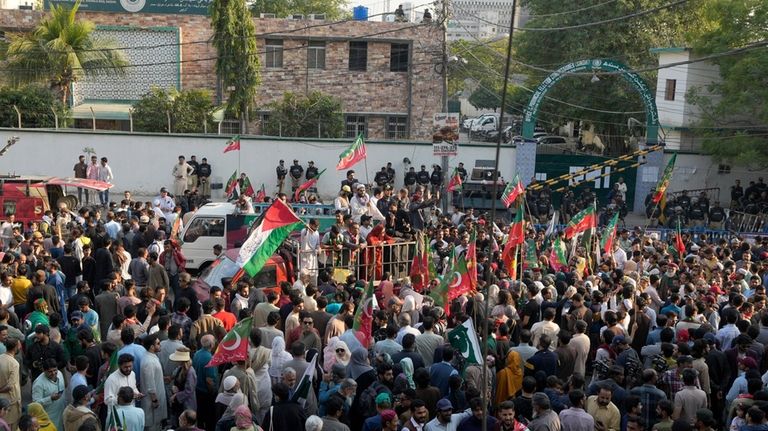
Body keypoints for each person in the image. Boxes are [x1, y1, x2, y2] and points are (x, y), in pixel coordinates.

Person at [140, 334, 167, 431]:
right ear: (152, 346)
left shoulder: (151, 357)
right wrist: (155, 400)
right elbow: (150, 384)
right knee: (153, 426)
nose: (160, 345)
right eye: (158, 344)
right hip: (152, 402)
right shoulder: (149, 361)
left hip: (156, 398)